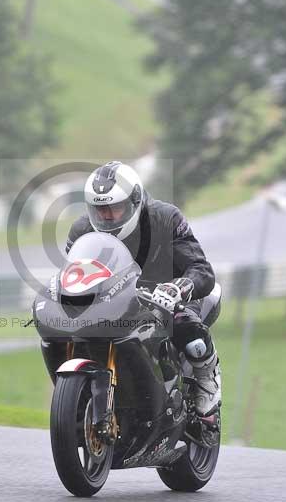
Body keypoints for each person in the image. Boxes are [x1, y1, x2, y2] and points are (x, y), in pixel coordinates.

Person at [64, 160, 221, 417]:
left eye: (114, 208)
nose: (106, 216)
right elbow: (72, 274)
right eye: (99, 209)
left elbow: (201, 270)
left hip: (168, 294)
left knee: (186, 329)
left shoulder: (165, 218)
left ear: (135, 201)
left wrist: (179, 287)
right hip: (115, 298)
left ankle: (207, 378)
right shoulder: (81, 229)